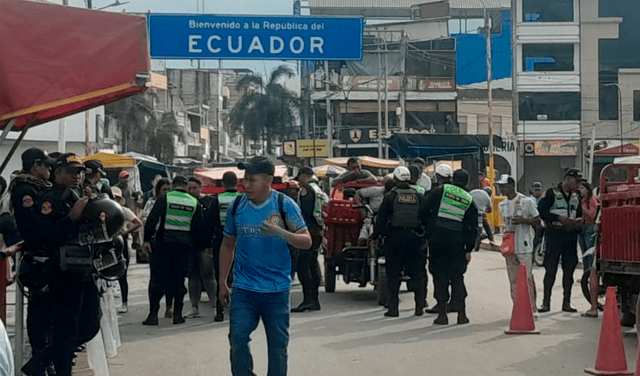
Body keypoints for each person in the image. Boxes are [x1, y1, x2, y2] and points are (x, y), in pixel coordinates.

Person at [218, 156, 311, 376]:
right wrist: (222, 281)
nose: (246, 185)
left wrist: (281, 232)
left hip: (276, 290)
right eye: (245, 179)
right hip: (244, 289)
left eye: (252, 180)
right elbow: (227, 244)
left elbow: (306, 241)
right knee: (237, 339)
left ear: (269, 179)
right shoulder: (237, 205)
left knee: (278, 348)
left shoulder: (284, 204)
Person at [34, 153, 101, 375]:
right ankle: (61, 368)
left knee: (90, 323)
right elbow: (47, 234)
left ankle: (42, 360)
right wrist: (72, 217)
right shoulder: (51, 199)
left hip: (84, 268)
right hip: (64, 271)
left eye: (80, 172)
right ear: (58, 173)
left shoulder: (77, 194)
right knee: (67, 328)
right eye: (72, 172)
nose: (77, 176)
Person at [9, 148, 56, 375]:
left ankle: (45, 358)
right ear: (36, 165)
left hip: (49, 255)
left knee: (51, 312)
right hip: (39, 259)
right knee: (39, 311)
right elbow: (35, 225)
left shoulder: (41, 188)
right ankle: (39, 358)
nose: (49, 170)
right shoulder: (25, 190)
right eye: (46, 166)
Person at [142, 176, 204, 325]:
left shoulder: (165, 197)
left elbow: (152, 219)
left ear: (173, 185)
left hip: (163, 244)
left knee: (157, 280)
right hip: (184, 246)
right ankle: (177, 315)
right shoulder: (194, 202)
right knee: (178, 280)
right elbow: (198, 228)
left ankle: (153, 315)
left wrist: (146, 239)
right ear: (186, 187)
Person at [424, 169, 478, 325]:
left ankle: (442, 315)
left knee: (439, 277)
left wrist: (428, 232)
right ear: (467, 182)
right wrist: (469, 249)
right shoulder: (469, 199)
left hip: (437, 241)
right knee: (457, 277)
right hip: (457, 244)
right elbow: (471, 227)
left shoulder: (440, 191)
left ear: (453, 179)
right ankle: (462, 315)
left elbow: (425, 210)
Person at [374, 166, 428, 317]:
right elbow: (425, 218)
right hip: (415, 240)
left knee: (393, 275)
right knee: (418, 274)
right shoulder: (419, 196)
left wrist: (378, 235)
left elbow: (381, 219)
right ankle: (419, 307)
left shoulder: (390, 196)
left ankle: (393, 308)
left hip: (395, 240)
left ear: (396, 180)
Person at [537, 168, 584, 313]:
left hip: (570, 236)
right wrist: (558, 218)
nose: (578, 185)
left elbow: (580, 213)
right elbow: (542, 211)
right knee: (550, 269)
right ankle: (546, 303)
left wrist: (579, 220)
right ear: (568, 180)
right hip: (554, 235)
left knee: (569, 270)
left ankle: (567, 302)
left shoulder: (577, 196)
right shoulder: (551, 193)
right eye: (577, 182)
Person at [495, 175, 540, 317]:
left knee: (527, 277)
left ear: (512, 186)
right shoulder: (501, 205)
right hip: (510, 245)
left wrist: (524, 220)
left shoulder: (526, 201)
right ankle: (518, 307)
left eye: (505, 186)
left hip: (524, 244)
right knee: (513, 278)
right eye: (501, 186)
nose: (502, 189)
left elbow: (538, 220)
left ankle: (532, 308)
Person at [292, 167, 328, 313]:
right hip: (317, 229)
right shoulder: (318, 189)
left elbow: (304, 212)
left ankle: (308, 301)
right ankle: (314, 301)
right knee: (312, 265)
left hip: (308, 230)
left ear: (304, 175)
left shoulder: (306, 190)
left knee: (303, 266)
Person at [185, 177, 218, 319]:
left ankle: (216, 306)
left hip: (206, 245)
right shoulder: (186, 203)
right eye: (189, 188)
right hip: (190, 245)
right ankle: (194, 307)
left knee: (208, 276)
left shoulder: (210, 201)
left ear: (200, 187)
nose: (192, 191)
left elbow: (214, 224)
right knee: (193, 277)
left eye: (194, 188)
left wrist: (211, 244)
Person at [211, 171, 241, 322]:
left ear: (223, 183)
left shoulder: (217, 199)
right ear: (237, 183)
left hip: (222, 241)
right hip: (242, 241)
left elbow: (212, 223)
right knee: (238, 277)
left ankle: (219, 310)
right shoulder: (244, 199)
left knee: (221, 276)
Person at [111, 187, 143, 314]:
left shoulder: (124, 210)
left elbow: (138, 223)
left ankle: (125, 302)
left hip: (121, 242)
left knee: (122, 273)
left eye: (116, 197)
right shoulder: (105, 210)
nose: (114, 199)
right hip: (107, 242)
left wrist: (125, 232)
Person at [578, 181, 600, 318]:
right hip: (582, 228)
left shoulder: (592, 200)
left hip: (590, 228)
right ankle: (586, 275)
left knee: (590, 256)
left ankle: (591, 276)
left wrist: (582, 208)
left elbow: (592, 215)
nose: (580, 190)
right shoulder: (581, 200)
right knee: (585, 255)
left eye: (582, 188)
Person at [469, 186, 494, 251]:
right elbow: (490, 210)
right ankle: (491, 239)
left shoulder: (474, 191)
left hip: (470, 211)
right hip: (480, 213)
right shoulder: (488, 198)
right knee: (485, 223)